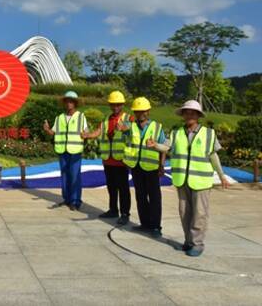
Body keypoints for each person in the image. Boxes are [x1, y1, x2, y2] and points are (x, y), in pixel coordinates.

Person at [154, 100, 229, 256]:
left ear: (198, 115)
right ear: (183, 115)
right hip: (182, 180)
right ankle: (188, 241)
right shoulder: (176, 133)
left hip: (201, 181)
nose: (189, 115)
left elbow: (213, 156)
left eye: (193, 112)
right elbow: (166, 148)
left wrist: (222, 176)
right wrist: (154, 145)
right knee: (184, 212)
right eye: (186, 112)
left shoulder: (208, 133)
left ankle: (197, 243)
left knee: (199, 213)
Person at [83, 90, 132, 225]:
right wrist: (88, 135)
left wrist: (125, 128)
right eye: (113, 105)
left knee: (123, 189)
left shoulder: (128, 119)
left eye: (118, 104)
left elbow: (133, 131)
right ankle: (113, 209)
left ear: (122, 105)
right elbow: (98, 132)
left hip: (121, 160)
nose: (115, 107)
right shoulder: (106, 120)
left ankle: (125, 213)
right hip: (108, 160)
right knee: (111, 187)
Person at [122, 97, 166, 238]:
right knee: (140, 196)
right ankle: (145, 224)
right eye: (137, 111)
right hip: (136, 167)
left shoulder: (157, 127)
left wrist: (162, 165)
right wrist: (123, 127)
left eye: (143, 111)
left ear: (148, 111)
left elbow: (163, 148)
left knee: (154, 198)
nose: (140, 114)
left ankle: (156, 226)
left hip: (152, 168)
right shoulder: (131, 126)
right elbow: (123, 129)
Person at [43, 90, 88, 211]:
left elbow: (86, 132)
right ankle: (67, 198)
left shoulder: (81, 117)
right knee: (64, 175)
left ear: (75, 103)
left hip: (75, 151)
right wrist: (47, 130)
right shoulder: (60, 118)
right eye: (67, 101)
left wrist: (87, 135)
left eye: (71, 102)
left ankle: (75, 201)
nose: (69, 104)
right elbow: (53, 132)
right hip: (62, 150)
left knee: (74, 176)